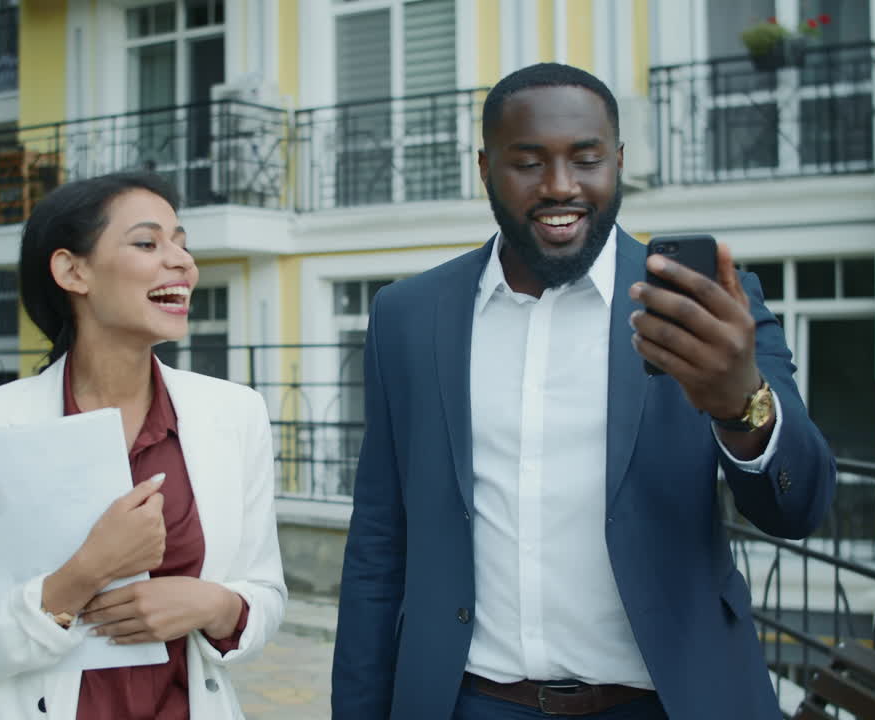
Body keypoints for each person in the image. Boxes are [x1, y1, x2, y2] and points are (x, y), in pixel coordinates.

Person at [331, 63, 836, 720]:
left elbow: (798, 509)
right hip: (471, 703)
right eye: (529, 162)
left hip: (666, 704)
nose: (560, 186)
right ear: (484, 168)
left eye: (586, 159)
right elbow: (378, 540)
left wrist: (741, 403)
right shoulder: (408, 315)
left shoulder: (705, 308)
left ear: (618, 162)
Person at [0, 171, 286, 720]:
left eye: (182, 243)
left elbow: (264, 594)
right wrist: (81, 576)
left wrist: (214, 605)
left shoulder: (235, 414)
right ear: (73, 270)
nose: (182, 262)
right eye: (147, 242)